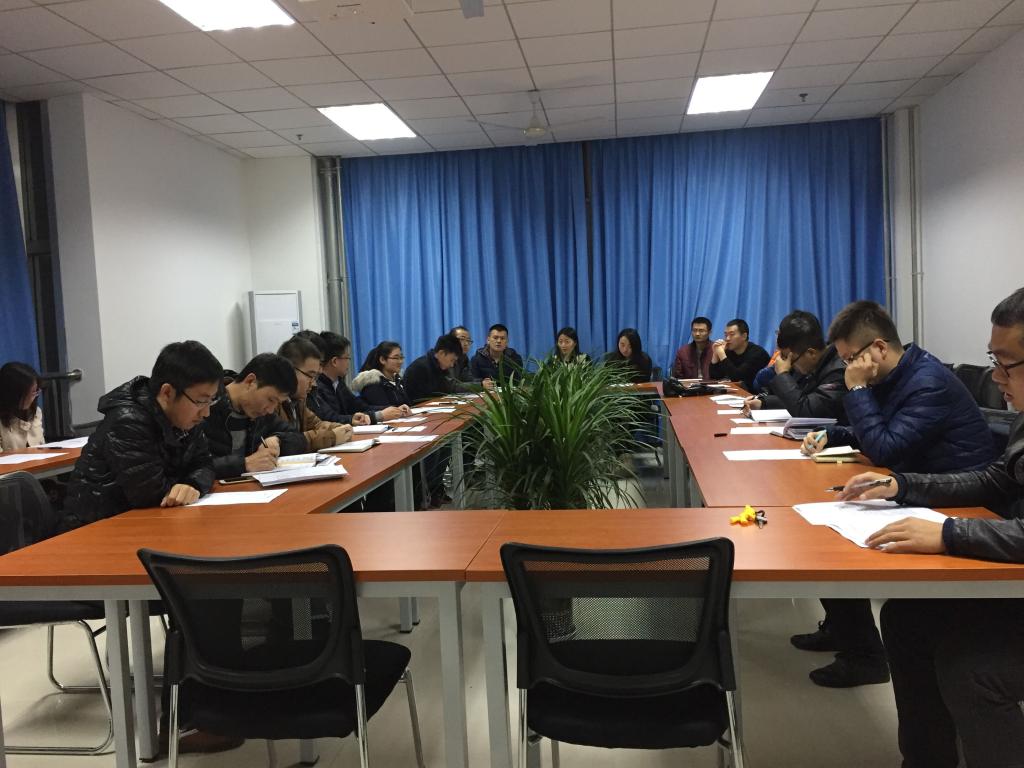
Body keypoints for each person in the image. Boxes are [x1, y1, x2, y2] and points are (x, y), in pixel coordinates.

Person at [836, 286, 1024, 768]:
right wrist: (902, 486)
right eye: (994, 361)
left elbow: (884, 443)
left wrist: (947, 534)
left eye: (1007, 365)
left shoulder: (928, 381)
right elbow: (996, 478)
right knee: (906, 619)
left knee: (972, 670)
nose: (996, 377)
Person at [795, 300, 997, 688]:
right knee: (823, 530)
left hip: (963, 499)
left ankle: (864, 656)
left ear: (878, 348)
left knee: (838, 542)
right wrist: (831, 435)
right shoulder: (899, 375)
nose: (847, 369)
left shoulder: (927, 382)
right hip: (924, 485)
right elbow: (883, 431)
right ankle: (843, 630)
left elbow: (886, 448)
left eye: (850, 359)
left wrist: (856, 388)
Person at [60, 341, 222, 531]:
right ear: (167, 393)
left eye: (211, 401)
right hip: (96, 529)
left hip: (143, 524)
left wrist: (191, 484)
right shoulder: (128, 421)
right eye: (201, 401)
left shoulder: (186, 418)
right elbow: (151, 495)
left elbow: (205, 464)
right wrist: (185, 485)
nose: (206, 413)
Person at [204, 353, 306, 479]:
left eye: (277, 403)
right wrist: (244, 464)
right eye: (270, 400)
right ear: (250, 381)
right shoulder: (207, 408)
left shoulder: (261, 415)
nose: (270, 410)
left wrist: (277, 439)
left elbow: (299, 439)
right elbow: (193, 468)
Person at [743, 310, 847, 420]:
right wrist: (763, 403)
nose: (786, 364)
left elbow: (807, 411)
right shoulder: (806, 363)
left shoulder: (838, 372)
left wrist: (783, 374)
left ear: (811, 353)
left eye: (789, 359)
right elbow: (799, 398)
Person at [311, 332, 408, 425]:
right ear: (335, 361)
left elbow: (358, 406)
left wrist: (393, 409)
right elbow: (331, 418)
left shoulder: (338, 383)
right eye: (347, 358)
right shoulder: (316, 386)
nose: (348, 362)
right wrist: (377, 416)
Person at [276, 336, 353, 450]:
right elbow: (286, 441)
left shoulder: (298, 401)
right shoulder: (272, 403)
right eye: (310, 375)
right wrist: (332, 436)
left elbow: (318, 424)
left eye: (315, 377)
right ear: (289, 371)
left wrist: (341, 428)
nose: (313, 383)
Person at [708, 318, 770, 391]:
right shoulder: (729, 352)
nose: (727, 338)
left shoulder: (758, 353)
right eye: (726, 335)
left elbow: (737, 377)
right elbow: (714, 377)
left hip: (755, 394)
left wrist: (721, 354)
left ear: (744, 336)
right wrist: (715, 355)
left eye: (732, 334)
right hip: (736, 393)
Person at [404, 333, 464, 403]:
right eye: (452, 360)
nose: (452, 365)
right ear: (441, 353)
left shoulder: (441, 368)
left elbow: (447, 392)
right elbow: (418, 400)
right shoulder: (419, 368)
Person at [354, 341, 412, 408]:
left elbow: (408, 404)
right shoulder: (372, 384)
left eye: (401, 357)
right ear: (382, 360)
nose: (400, 361)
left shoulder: (398, 380)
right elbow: (386, 410)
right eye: (396, 358)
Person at [0, 362, 44, 450]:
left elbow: (41, 446)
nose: (34, 397)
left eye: (36, 391)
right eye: (30, 392)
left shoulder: (35, 411)